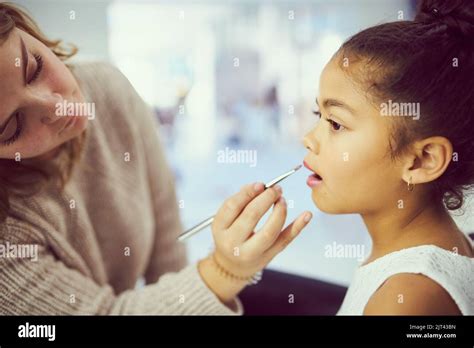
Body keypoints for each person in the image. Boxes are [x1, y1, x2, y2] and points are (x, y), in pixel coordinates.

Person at [0, 2, 313, 314]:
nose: (56, 107)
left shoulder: (108, 88)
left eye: (34, 68)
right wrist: (224, 271)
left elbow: (168, 248)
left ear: (28, 30)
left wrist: (218, 277)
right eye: (13, 126)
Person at [302, 0, 474, 315]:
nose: (309, 139)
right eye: (318, 113)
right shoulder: (434, 252)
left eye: (336, 123)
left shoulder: (407, 297)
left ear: (422, 160)